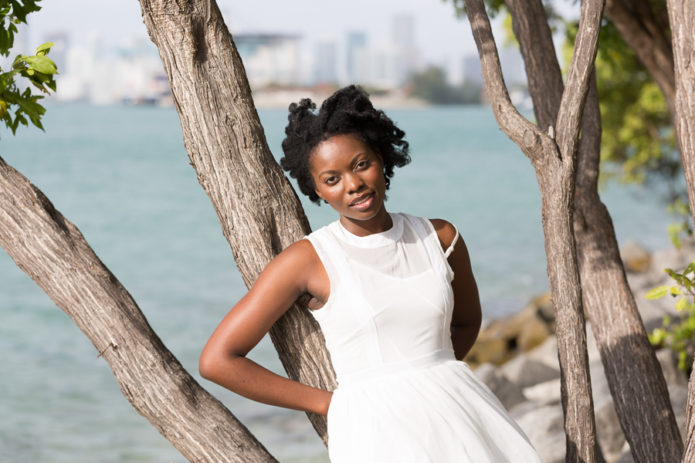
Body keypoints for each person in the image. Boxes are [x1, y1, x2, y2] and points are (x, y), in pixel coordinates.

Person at [199, 85, 542, 462]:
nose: (353, 184)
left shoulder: (440, 237)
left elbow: (466, 322)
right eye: (332, 179)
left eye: (361, 164)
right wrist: (331, 403)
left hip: (462, 413)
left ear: (382, 158)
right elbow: (218, 360)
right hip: (374, 430)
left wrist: (429, 378)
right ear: (317, 189)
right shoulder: (309, 259)